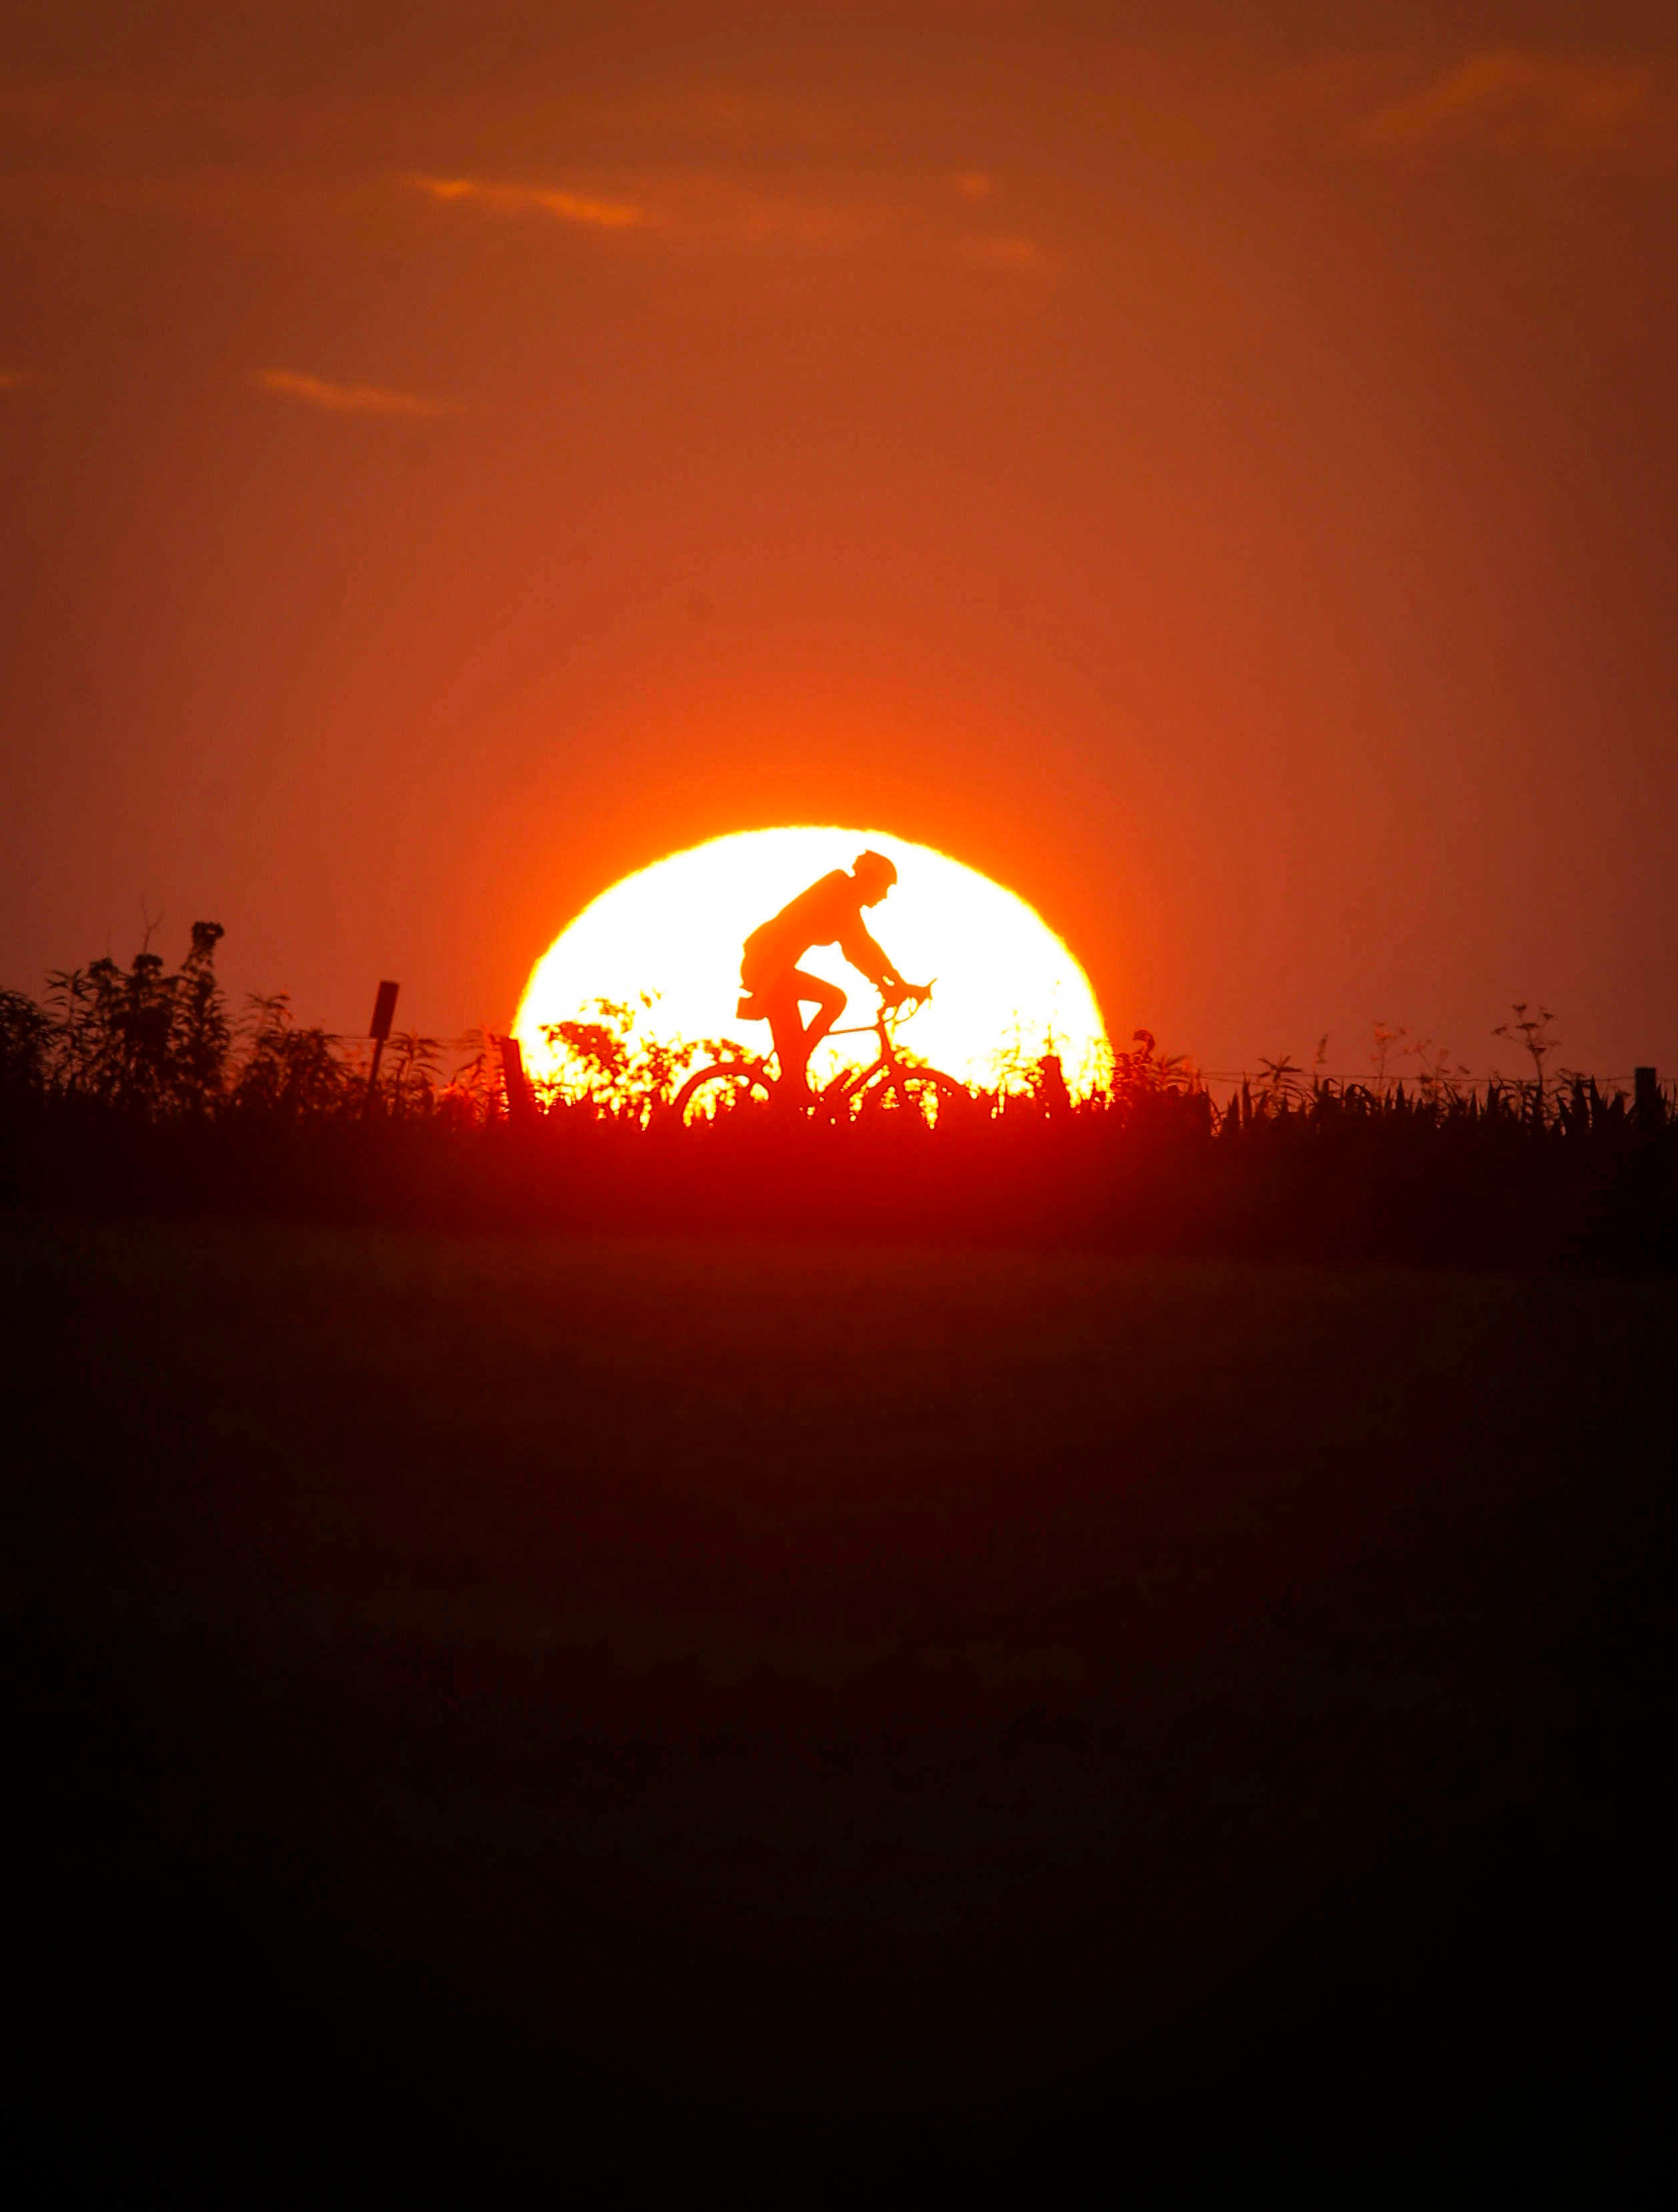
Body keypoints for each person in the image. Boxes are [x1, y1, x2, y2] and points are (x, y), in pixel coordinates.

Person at [738, 851, 927, 1099]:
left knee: (793, 1080)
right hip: (767, 970)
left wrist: (893, 982)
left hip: (774, 972)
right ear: (869, 881)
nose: (884, 896)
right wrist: (893, 983)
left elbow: (860, 948)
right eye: (884, 888)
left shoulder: (844, 896)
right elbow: (860, 946)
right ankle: (797, 1061)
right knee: (836, 1000)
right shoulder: (839, 892)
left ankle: (790, 1096)